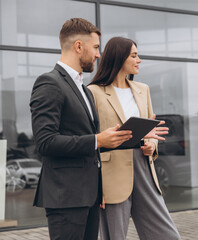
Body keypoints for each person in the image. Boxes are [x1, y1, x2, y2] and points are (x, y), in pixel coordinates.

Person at [30, 18, 133, 240]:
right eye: (95, 47)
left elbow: (89, 142)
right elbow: (45, 142)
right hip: (66, 198)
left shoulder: (85, 91)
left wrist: (126, 138)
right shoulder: (49, 83)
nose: (98, 54)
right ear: (78, 46)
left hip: (90, 197)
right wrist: (98, 140)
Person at [88, 37, 181, 240]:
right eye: (134, 55)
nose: (139, 60)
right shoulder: (93, 92)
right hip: (111, 175)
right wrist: (97, 187)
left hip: (143, 169)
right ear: (119, 57)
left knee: (167, 235)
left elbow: (151, 130)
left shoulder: (142, 90)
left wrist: (151, 145)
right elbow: (93, 139)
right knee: (114, 236)